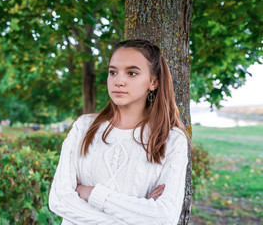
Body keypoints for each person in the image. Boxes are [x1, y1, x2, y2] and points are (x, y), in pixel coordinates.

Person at [49, 39, 189, 225]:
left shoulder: (170, 140)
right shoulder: (84, 128)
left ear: (153, 82)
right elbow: (59, 200)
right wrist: (138, 213)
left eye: (132, 73)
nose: (118, 81)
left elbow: (164, 217)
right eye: (113, 72)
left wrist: (92, 194)